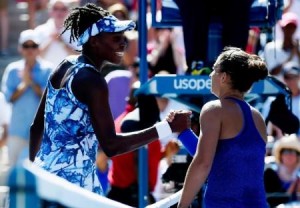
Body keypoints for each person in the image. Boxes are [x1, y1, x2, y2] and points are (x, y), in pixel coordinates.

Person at [29, 3, 191, 196]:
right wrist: (168, 127)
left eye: (122, 38)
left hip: (46, 181)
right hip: (73, 191)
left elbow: (36, 127)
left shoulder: (65, 65)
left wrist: (34, 172)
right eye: (115, 38)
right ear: (94, 41)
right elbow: (112, 146)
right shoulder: (92, 81)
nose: (123, 43)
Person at [172, 47, 269, 207]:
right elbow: (221, 161)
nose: (210, 75)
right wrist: (183, 133)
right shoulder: (257, 117)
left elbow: (203, 163)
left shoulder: (214, 109)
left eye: (214, 70)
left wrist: (182, 206)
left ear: (224, 77)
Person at [1, 29, 53, 167]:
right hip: (17, 130)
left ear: (39, 48)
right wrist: (24, 84)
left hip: (41, 133)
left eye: (33, 46)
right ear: (20, 48)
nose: (30, 50)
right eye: (26, 46)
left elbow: (50, 99)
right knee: (13, 172)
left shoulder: (48, 69)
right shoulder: (12, 69)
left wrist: (30, 82)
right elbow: (8, 98)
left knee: (39, 174)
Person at [34, 0, 80, 67]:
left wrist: (61, 42)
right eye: (55, 8)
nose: (59, 12)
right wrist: (50, 41)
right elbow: (35, 56)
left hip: (68, 72)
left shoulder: (76, 31)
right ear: (50, 11)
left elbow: (79, 57)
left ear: (68, 11)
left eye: (63, 9)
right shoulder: (39, 30)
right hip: (46, 75)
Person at [264, 133, 300, 207]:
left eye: (293, 152)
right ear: (280, 156)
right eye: (286, 152)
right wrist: (292, 188)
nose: (289, 155)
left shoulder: (298, 177)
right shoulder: (269, 174)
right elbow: (269, 201)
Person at [263, 12, 300, 82]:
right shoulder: (271, 47)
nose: (290, 30)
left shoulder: (298, 48)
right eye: (287, 27)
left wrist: (297, 52)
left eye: (292, 27)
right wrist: (290, 57)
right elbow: (273, 72)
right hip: (278, 90)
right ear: (282, 28)